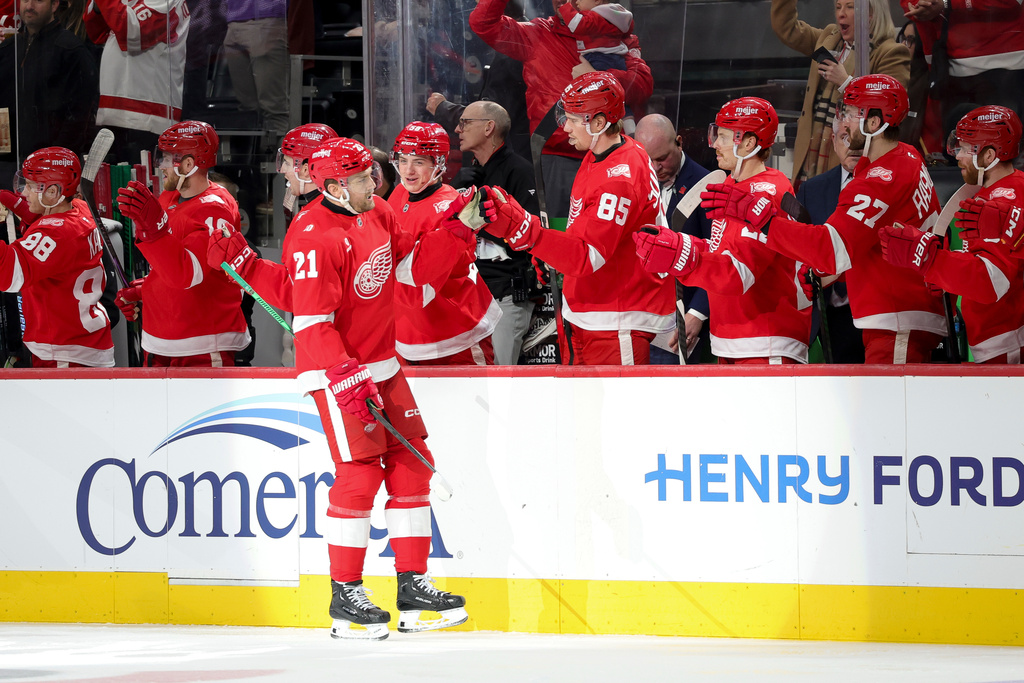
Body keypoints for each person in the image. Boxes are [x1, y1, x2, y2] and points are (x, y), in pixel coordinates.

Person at [205, 137, 470, 640]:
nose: (374, 183)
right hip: (339, 371)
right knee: (359, 472)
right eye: (362, 178)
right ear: (332, 186)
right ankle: (345, 596)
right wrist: (344, 375)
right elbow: (310, 320)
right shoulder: (312, 234)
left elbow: (409, 266)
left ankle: (413, 585)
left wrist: (457, 229)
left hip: (383, 364)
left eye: (371, 174)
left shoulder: (378, 214)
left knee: (413, 461)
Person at [705, 75, 946, 364]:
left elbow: (831, 249)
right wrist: (823, 274)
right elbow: (876, 242)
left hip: (898, 318)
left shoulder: (879, 180)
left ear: (874, 123)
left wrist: (766, 221)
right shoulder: (907, 156)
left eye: (854, 114)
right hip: (907, 313)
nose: (845, 122)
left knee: (892, 409)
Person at [470, 72, 674, 365]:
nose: (564, 126)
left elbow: (588, 256)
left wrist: (529, 233)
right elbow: (584, 233)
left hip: (617, 318)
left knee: (617, 411)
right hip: (592, 312)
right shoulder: (601, 152)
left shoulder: (620, 177)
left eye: (573, 119)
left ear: (600, 123)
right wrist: (551, 254)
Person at [634, 98, 811, 364]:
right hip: (733, 339)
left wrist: (683, 257)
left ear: (749, 143)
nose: (714, 143)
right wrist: (681, 243)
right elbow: (719, 251)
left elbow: (739, 274)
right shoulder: (733, 185)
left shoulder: (767, 192)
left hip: (766, 342)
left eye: (723, 136)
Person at [469, 0, 653, 221]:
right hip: (559, 157)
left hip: (611, 154)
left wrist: (595, 76)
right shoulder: (539, 33)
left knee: (613, 233)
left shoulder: (616, 33)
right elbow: (483, 24)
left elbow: (642, 85)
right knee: (561, 231)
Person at [880, 106, 1024, 364]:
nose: (957, 156)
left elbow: (993, 281)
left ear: (989, 155)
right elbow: (988, 259)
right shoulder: (987, 193)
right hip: (994, 341)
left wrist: (931, 259)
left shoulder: (1008, 199)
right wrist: (949, 275)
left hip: (1009, 344)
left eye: (966, 149)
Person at [114, 120, 251, 367]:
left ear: (189, 164)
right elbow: (168, 263)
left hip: (203, 344)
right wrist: (145, 290)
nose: (160, 166)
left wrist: (153, 231)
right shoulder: (169, 197)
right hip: (159, 341)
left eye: (167, 159)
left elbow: (188, 273)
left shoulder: (215, 209)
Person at [388, 121, 501, 365]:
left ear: (438, 163)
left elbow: (418, 287)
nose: (408, 170)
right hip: (410, 334)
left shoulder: (453, 210)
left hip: (458, 332)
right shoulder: (398, 194)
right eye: (403, 160)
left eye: (419, 162)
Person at [771, 0, 909, 183]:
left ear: (871, 14)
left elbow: (893, 108)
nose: (841, 14)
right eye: (838, 7)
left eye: (850, 7)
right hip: (811, 154)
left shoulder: (890, 53)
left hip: (853, 155)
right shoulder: (828, 38)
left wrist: (845, 83)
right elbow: (787, 28)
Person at [0, 147, 113, 367]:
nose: (23, 193)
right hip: (85, 344)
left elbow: (7, 274)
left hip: (66, 354)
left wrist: (36, 227)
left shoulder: (54, 233)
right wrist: (33, 220)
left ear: (53, 192)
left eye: (32, 187)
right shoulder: (81, 209)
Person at [456, 101, 539, 365]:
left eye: (465, 122)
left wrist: (477, 221)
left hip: (506, 295)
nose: (458, 129)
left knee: (501, 384)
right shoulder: (467, 175)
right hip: (468, 296)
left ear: (489, 127)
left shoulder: (520, 171)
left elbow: (532, 236)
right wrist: (454, 194)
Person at [634, 113, 714, 364]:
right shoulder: (633, 183)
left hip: (687, 320)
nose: (655, 168)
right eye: (648, 160)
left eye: (662, 158)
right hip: (642, 319)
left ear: (679, 142)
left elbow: (717, 254)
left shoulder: (707, 185)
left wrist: (697, 314)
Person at [84, 0, 190, 162]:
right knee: (110, 185)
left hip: (145, 118)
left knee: (140, 185)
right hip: (117, 113)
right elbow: (97, 32)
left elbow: (131, 29)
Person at [795, 122, 865, 363]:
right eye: (844, 137)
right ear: (833, 141)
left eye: (858, 137)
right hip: (829, 312)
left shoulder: (885, 183)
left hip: (874, 310)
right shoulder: (811, 189)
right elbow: (803, 249)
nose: (852, 145)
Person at [902, 0, 1024, 137]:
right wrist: (922, 6)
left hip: (1004, 65)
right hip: (950, 67)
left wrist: (947, 3)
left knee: (1001, 146)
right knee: (957, 149)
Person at [0, 0, 98, 167]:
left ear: (54, 5)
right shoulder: (8, 49)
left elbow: (79, 119)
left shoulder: (71, 50)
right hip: (9, 164)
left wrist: (55, 161)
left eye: (38, 0)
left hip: (52, 168)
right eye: (25, 0)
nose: (29, 6)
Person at [223, 0, 289, 138]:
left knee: (273, 107)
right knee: (247, 108)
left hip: (266, 18)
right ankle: (253, 156)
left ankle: (282, 157)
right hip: (233, 22)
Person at [277, 122, 338, 224]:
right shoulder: (339, 205)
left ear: (306, 170)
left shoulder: (313, 219)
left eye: (287, 163)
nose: (283, 170)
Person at [553, 0, 633, 74]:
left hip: (600, 58)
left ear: (597, 0)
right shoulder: (613, 17)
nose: (577, 2)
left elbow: (577, 24)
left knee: (598, 85)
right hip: (616, 57)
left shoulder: (595, 17)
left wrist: (567, 7)